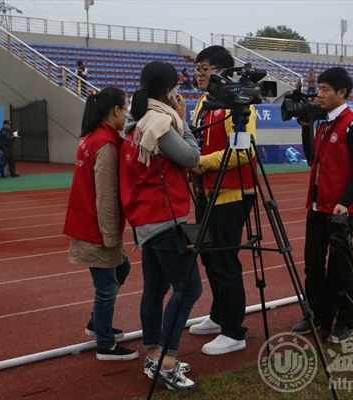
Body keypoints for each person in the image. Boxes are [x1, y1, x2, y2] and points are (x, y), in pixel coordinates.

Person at [119, 61, 202, 390]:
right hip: (163, 217)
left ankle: (155, 356)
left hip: (146, 217)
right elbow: (192, 158)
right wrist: (186, 121)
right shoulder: (160, 123)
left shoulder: (136, 120)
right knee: (189, 289)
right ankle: (167, 364)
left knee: (154, 291)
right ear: (170, 90)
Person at [290, 67, 353, 343]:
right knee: (313, 264)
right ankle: (316, 314)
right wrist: (306, 128)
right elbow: (311, 159)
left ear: (342, 92)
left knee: (341, 267)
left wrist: (345, 202)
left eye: (325, 89)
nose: (319, 94)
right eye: (319, 89)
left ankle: (345, 321)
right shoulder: (324, 123)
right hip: (317, 205)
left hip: (340, 209)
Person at [188, 45, 257, 355]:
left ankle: (233, 331)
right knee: (208, 257)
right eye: (197, 69)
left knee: (225, 261)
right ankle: (218, 316)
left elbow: (243, 151)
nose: (199, 74)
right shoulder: (203, 102)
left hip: (231, 193)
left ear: (221, 72)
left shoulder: (238, 103)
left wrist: (201, 163)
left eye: (204, 69)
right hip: (205, 192)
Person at [63, 87, 138, 361]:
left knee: (121, 270)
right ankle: (105, 344)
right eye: (125, 108)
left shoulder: (92, 137)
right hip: (96, 228)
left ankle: (97, 323)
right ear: (115, 110)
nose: (127, 113)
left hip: (88, 223)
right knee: (106, 287)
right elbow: (105, 196)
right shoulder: (105, 144)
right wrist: (110, 237)